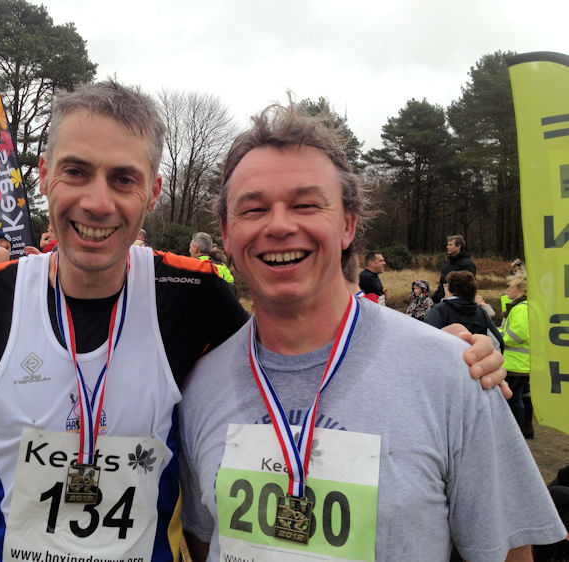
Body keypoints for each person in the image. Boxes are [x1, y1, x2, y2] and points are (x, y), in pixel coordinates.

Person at [0, 82, 505, 561]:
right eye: (76, 171)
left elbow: (297, 349)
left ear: (154, 192)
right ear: (43, 176)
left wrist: (444, 352)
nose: (96, 201)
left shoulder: (191, 295)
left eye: (123, 179)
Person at [179, 101, 564, 561]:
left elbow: (506, 554)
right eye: (253, 208)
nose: (279, 225)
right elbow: (205, 542)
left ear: (347, 224)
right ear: (225, 232)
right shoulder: (200, 386)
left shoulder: (455, 374)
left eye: (305, 204)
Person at [425, 271, 503, 352]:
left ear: (450, 288)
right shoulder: (480, 313)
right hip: (472, 360)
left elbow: (426, 337)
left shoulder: (441, 309)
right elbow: (497, 341)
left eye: (446, 285)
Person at [500, 272, 533, 438]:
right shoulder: (526, 306)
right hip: (523, 363)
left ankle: (509, 433)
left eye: (510, 287)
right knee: (517, 397)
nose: (507, 291)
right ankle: (519, 432)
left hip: (514, 364)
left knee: (506, 399)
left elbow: (517, 335)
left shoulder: (520, 309)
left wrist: (498, 337)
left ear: (520, 290)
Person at [432, 235, 476, 303]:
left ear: (458, 246)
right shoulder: (448, 262)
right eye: (447, 244)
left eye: (450, 245)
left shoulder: (468, 265)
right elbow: (442, 282)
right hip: (442, 301)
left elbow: (467, 288)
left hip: (457, 304)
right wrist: (436, 297)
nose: (447, 247)